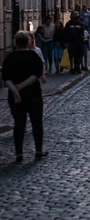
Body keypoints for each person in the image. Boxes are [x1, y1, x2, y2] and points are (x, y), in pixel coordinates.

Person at [1, 30, 47, 163]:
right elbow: (36, 75)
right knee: (36, 122)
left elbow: (6, 78)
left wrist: (15, 90)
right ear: (28, 42)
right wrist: (21, 86)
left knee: (19, 123)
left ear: (15, 42)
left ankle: (19, 153)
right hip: (33, 94)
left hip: (15, 96)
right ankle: (38, 150)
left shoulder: (10, 58)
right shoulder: (33, 56)